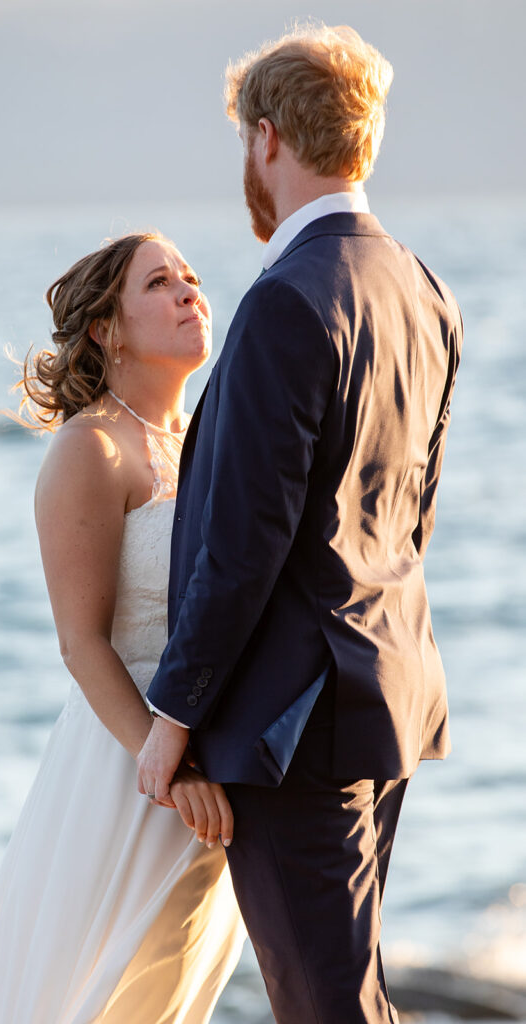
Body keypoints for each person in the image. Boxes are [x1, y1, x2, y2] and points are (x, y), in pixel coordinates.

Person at [138, 23, 463, 1024]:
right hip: (387, 692)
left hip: (293, 726)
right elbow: (412, 516)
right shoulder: (422, 289)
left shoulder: (287, 301)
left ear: (266, 139)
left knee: (324, 1008)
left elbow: (244, 545)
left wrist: (173, 717)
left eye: (244, 140)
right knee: (348, 995)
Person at [0, 232, 245, 1024]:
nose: (190, 292)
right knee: (88, 993)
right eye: (160, 283)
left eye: (190, 277)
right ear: (106, 330)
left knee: (171, 992)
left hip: (214, 767)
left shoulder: (205, 441)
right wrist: (169, 769)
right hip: (131, 771)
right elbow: (80, 643)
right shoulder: (91, 450)